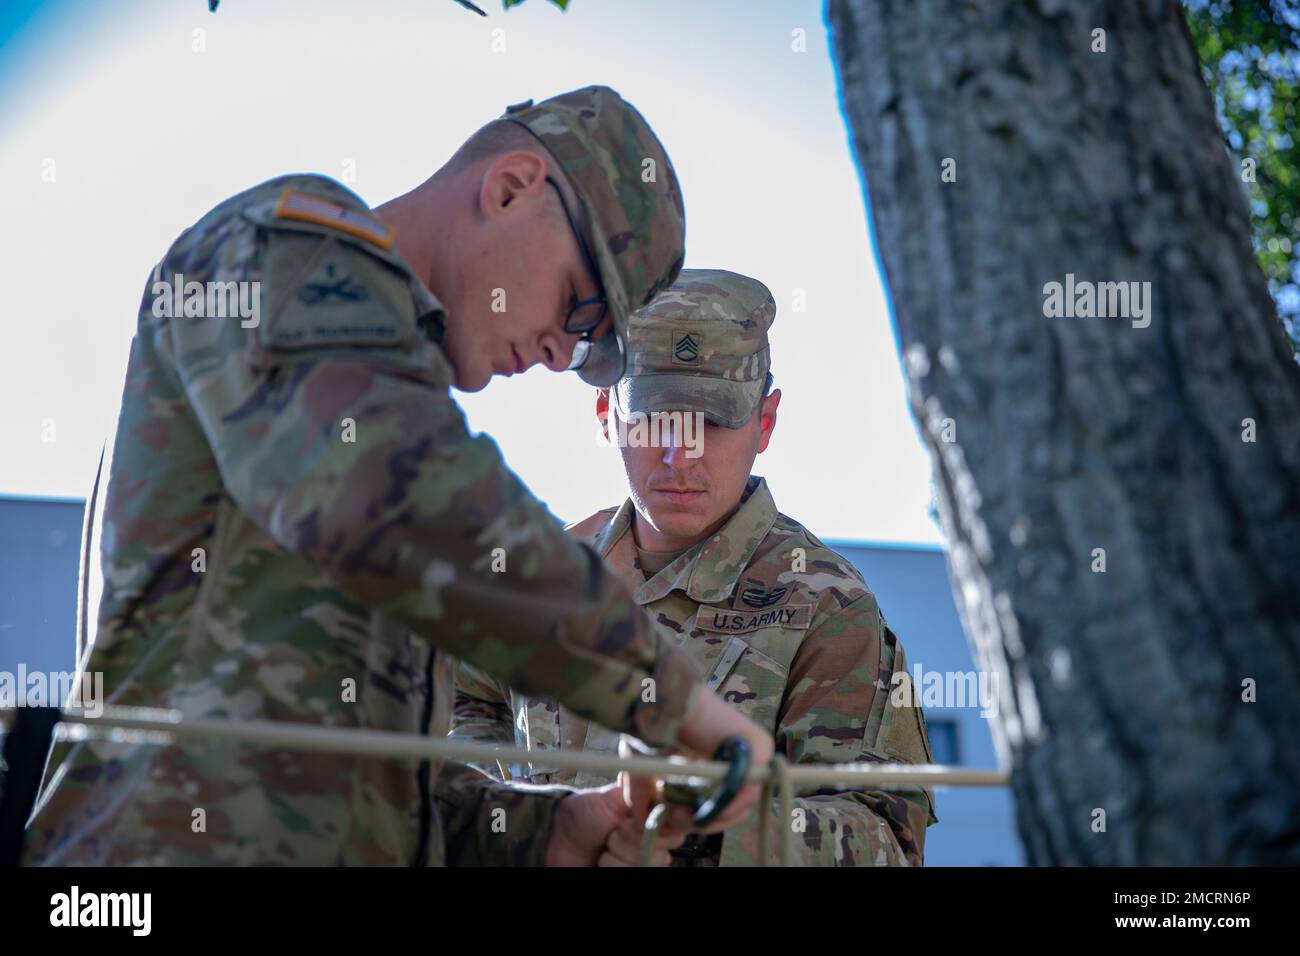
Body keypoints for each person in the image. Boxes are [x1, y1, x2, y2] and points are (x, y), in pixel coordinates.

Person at [22, 87, 771, 867]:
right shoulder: (283, 251)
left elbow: (370, 794)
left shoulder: (403, 447)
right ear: (512, 187)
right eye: (579, 310)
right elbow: (398, 500)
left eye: (591, 355)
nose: (560, 354)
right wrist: (673, 699)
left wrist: (550, 834)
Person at [452, 269, 938, 866]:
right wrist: (515, 827)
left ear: (765, 422)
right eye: (656, 419)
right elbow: (462, 707)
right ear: (608, 414)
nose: (681, 454)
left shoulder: (825, 605)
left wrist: (706, 828)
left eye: (713, 421)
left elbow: (887, 840)